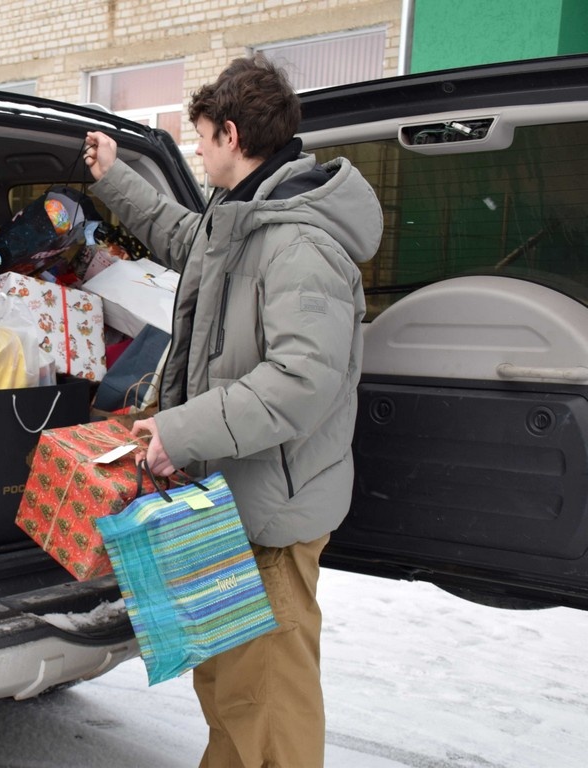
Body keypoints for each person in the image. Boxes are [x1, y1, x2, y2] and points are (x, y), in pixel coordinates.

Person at [84, 54, 382, 767]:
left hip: (273, 513)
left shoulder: (300, 242)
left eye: (201, 138)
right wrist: (115, 176)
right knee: (228, 684)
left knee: (266, 700)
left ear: (232, 133)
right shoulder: (243, 218)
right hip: (230, 499)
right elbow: (185, 240)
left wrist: (180, 430)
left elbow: (300, 381)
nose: (196, 150)